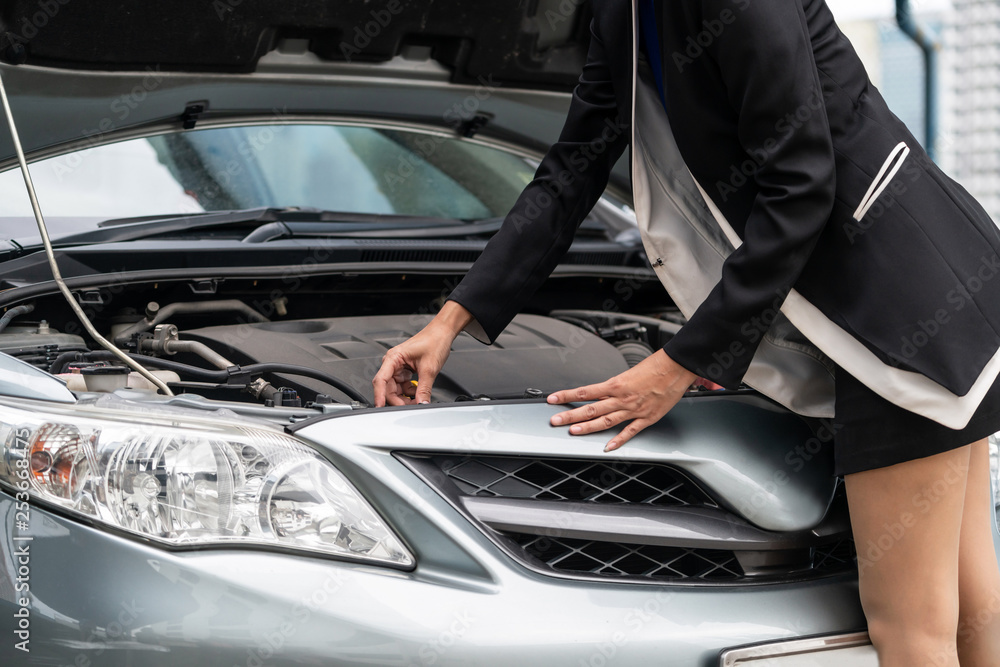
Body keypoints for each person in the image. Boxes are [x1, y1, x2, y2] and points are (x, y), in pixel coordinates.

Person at [373, 0, 1000, 663]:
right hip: (929, 288)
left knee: (911, 625)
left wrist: (676, 365)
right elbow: (571, 171)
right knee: (967, 596)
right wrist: (450, 321)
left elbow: (803, 184)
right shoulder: (625, 11)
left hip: (897, 314)